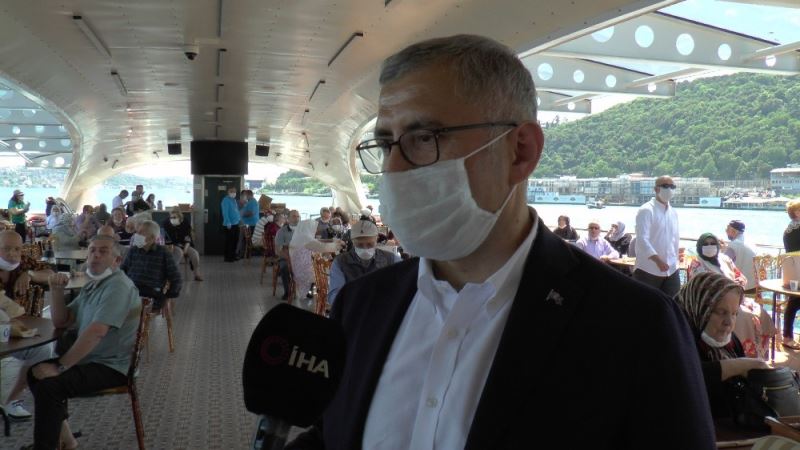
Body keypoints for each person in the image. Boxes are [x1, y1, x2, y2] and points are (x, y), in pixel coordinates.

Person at [286, 34, 714, 449]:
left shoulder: (635, 328)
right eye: (385, 144)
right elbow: (331, 435)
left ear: (520, 151)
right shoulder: (362, 305)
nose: (394, 169)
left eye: (425, 137)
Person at [25, 235, 140, 450]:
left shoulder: (118, 287)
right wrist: (56, 291)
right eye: (92, 250)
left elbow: (96, 332)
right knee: (35, 374)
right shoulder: (94, 285)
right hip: (91, 359)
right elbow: (62, 320)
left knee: (49, 386)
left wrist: (60, 366)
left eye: (103, 251)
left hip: (112, 366)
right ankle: (67, 441)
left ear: (117, 260)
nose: (95, 255)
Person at [674, 272, 770, 419]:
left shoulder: (731, 342)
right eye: (721, 312)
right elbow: (688, 377)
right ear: (699, 307)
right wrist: (740, 365)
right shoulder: (678, 340)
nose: (729, 322)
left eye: (734, 314)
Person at [0, 230, 54, 420]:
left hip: (18, 331)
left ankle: (12, 400)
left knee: (43, 350)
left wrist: (29, 273)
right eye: (6, 248)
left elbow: (50, 273)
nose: (12, 253)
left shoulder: (24, 262)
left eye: (17, 249)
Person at [328, 219, 400, 305]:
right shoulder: (340, 263)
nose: (365, 248)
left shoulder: (391, 259)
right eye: (359, 245)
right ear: (353, 242)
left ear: (377, 239)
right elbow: (335, 297)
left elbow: (402, 288)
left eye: (370, 244)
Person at [633, 176, 681, 297]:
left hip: (672, 269)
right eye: (665, 186)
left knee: (673, 303)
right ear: (656, 189)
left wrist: (676, 257)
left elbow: (675, 239)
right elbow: (642, 239)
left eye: (672, 186)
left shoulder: (673, 213)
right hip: (648, 269)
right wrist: (658, 261)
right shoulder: (646, 210)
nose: (669, 189)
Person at [121, 220, 182, 312]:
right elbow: (122, 271)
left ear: (152, 238)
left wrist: (168, 296)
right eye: (137, 232)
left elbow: (176, 278)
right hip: (131, 290)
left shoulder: (163, 253)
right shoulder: (133, 250)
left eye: (140, 233)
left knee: (135, 310)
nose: (136, 235)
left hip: (152, 294)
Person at [163, 208, 203, 281]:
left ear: (179, 217)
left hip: (184, 244)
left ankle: (196, 274)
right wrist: (172, 248)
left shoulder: (185, 222)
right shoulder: (166, 223)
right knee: (179, 253)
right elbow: (166, 239)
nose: (172, 219)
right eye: (171, 217)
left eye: (174, 217)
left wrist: (185, 249)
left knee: (195, 254)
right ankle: (171, 275)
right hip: (173, 245)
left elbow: (188, 238)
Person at [781, 200, 800, 349]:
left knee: (793, 303)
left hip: (793, 271)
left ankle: (787, 336)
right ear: (797, 212)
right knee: (794, 303)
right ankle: (787, 337)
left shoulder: (788, 230)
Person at [722, 220, 757, 292]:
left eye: (727, 229)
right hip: (755, 286)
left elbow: (723, 264)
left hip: (741, 287)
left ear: (734, 231)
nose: (726, 231)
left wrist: (721, 250)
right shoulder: (751, 243)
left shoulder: (733, 245)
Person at [274, 210, 299, 300]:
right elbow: (278, 250)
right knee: (284, 267)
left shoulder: (303, 230)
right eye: (294, 216)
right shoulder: (281, 231)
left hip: (300, 257)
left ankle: (308, 290)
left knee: (313, 267)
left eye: (298, 216)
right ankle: (287, 292)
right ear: (288, 219)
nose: (297, 218)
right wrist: (289, 258)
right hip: (286, 256)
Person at [221, 186, 241, 262]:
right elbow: (225, 212)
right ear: (228, 192)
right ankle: (228, 257)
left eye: (234, 191)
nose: (233, 193)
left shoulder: (234, 200)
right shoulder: (225, 200)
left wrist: (239, 219)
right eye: (232, 191)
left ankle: (233, 255)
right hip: (229, 224)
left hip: (236, 223)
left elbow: (236, 211)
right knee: (229, 241)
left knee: (235, 240)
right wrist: (228, 222)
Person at [238, 190, 259, 257]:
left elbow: (251, 213)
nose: (245, 196)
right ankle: (245, 254)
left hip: (251, 224)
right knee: (245, 240)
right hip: (247, 224)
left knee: (247, 240)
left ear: (249, 195)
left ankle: (245, 254)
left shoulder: (252, 202)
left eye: (246, 195)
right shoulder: (249, 202)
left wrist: (241, 215)